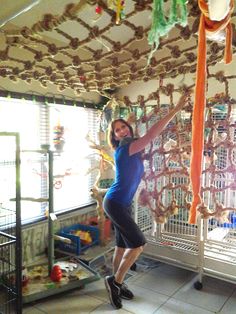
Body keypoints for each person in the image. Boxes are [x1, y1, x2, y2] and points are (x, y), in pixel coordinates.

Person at [103, 92, 189, 309]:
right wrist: (176, 109)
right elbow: (151, 134)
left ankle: (117, 284)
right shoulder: (125, 149)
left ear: (129, 130)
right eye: (117, 130)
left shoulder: (131, 149)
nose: (122, 130)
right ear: (114, 136)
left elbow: (145, 143)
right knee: (139, 243)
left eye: (124, 127)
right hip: (114, 202)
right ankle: (115, 282)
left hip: (120, 203)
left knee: (122, 246)